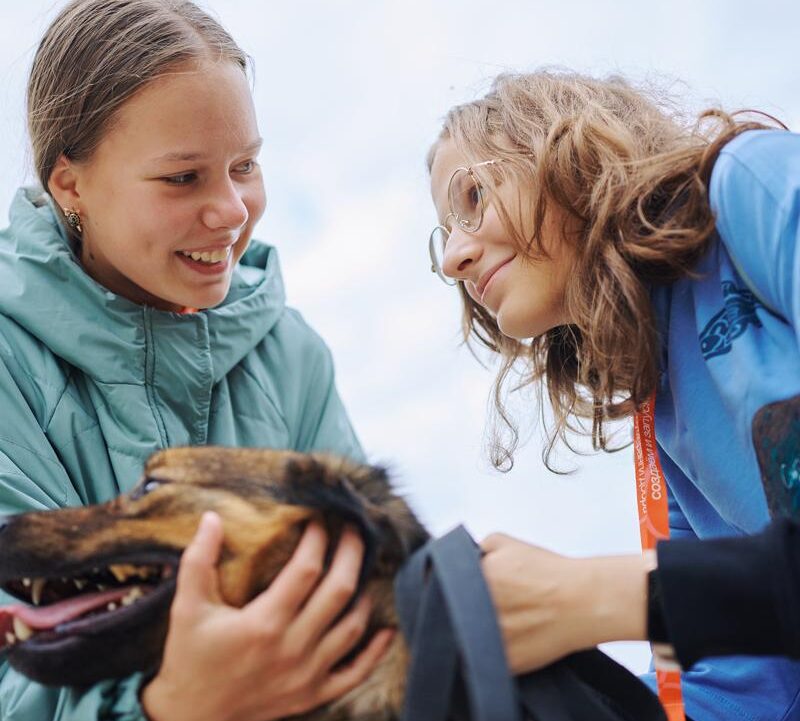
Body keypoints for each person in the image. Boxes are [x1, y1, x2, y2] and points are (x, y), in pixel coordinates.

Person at [0, 1, 393, 719]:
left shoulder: (291, 353)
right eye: (183, 178)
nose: (232, 209)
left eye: (245, 165)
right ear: (70, 184)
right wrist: (174, 704)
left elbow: (369, 614)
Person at [427, 70, 800, 721]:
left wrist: (592, 595)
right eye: (442, 234)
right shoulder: (660, 412)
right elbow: (746, 685)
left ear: (556, 146)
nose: (453, 257)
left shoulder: (750, 186)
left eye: (473, 196)